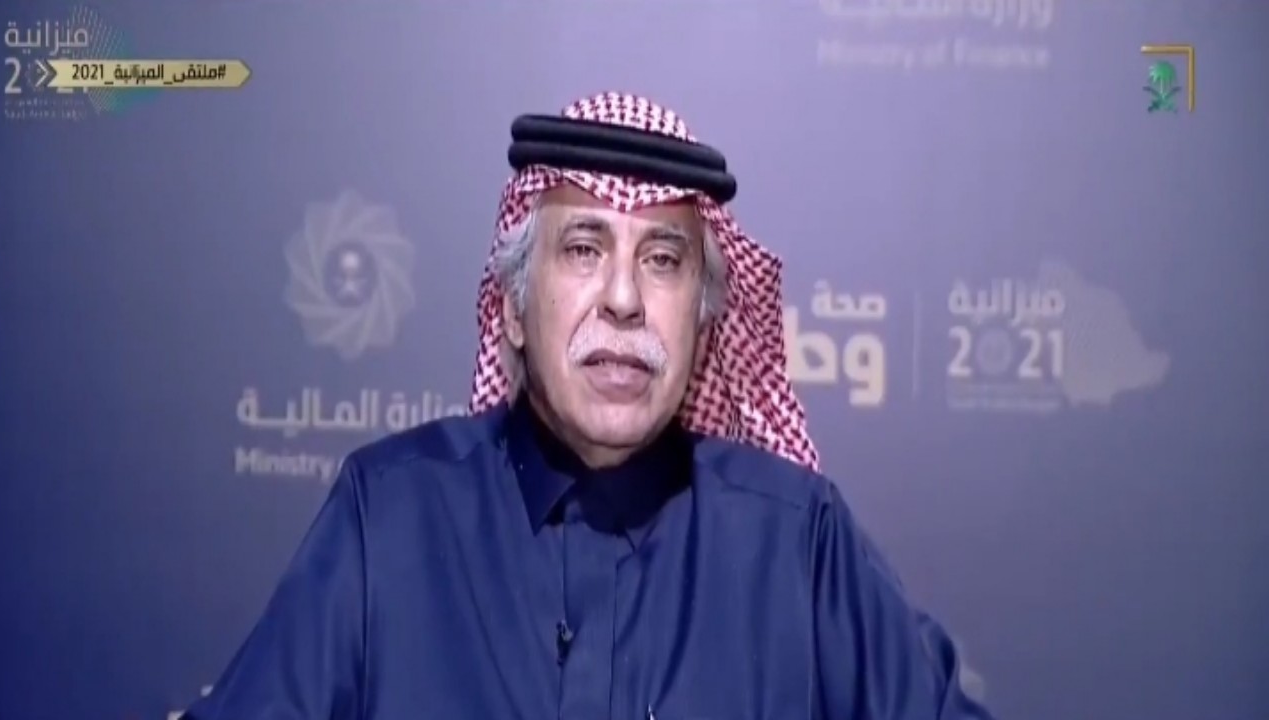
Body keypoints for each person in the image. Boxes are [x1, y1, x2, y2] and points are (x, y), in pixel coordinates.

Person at [184, 92, 995, 720]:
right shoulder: (390, 516)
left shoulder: (795, 540)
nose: (623, 299)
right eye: (582, 249)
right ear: (512, 307)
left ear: (702, 321)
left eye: (663, 260)